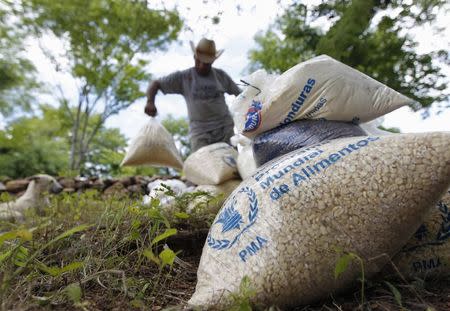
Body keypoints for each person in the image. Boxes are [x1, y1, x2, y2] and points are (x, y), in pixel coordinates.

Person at [145, 38, 242, 151]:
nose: (201, 65)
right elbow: (155, 84)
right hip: (200, 133)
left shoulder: (221, 76)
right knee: (202, 165)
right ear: (194, 57)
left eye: (206, 63)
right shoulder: (184, 77)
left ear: (212, 62)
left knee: (232, 163)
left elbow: (240, 95)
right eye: (199, 61)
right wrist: (150, 102)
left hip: (225, 129)